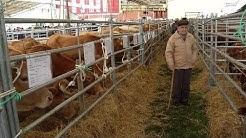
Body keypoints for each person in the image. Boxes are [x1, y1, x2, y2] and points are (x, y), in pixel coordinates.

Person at [165, 18, 198, 106]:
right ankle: (176, 100)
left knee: (186, 83)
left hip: (188, 64)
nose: (184, 29)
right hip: (177, 65)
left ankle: (184, 99)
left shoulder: (191, 37)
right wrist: (171, 63)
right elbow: (168, 52)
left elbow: (195, 49)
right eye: (182, 27)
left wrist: (193, 58)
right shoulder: (173, 39)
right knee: (177, 84)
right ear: (178, 28)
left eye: (186, 27)